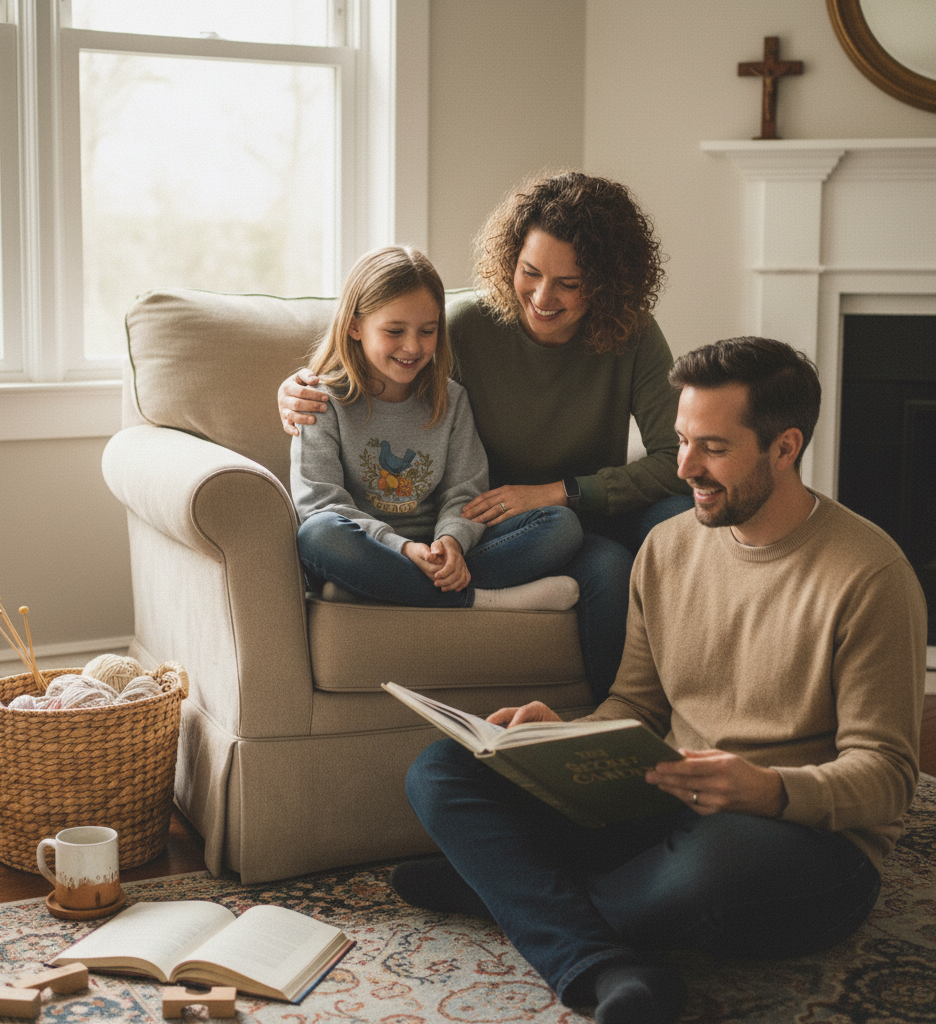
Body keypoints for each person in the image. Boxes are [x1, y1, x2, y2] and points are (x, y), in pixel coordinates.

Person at [390, 337, 928, 1023]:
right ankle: (600, 957)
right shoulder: (668, 548)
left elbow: (887, 778)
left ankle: (516, 894)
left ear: (785, 447)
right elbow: (636, 707)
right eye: (680, 441)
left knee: (707, 869)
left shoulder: (869, 576)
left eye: (714, 448)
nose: (686, 468)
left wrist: (768, 788)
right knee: (441, 771)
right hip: (669, 804)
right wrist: (566, 736)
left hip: (799, 842)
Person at [280, 172, 693, 700]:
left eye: (569, 284)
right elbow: (383, 354)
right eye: (530, 272)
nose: (543, 297)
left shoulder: (632, 333)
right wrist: (298, 390)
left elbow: (676, 458)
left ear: (608, 283)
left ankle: (646, 720)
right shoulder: (466, 328)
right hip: (486, 524)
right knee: (608, 569)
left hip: (551, 518)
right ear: (510, 261)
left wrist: (556, 493)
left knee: (671, 522)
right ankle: (476, 597)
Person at [291, 245, 584, 611]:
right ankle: (479, 599)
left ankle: (377, 589)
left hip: (440, 548)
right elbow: (321, 503)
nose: (412, 346)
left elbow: (465, 492)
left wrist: (452, 543)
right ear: (354, 325)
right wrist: (401, 548)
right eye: (395, 331)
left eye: (427, 331)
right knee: (318, 535)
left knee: (561, 525)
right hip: (366, 547)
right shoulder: (319, 401)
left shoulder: (450, 398)